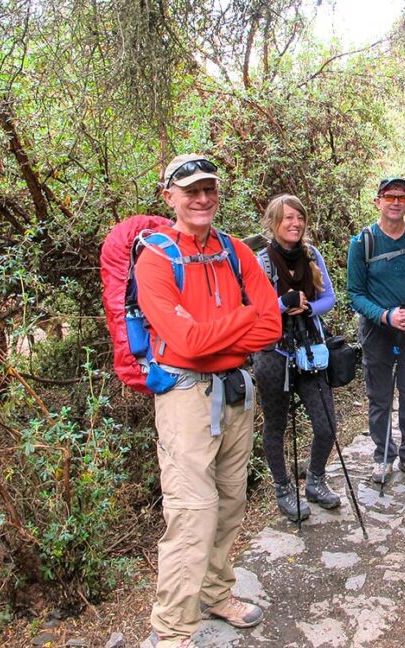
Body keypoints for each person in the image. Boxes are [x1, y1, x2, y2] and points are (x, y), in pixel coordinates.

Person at [136, 154, 281, 648]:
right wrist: (243, 319)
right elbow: (187, 342)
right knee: (193, 510)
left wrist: (215, 336)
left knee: (231, 501)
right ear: (169, 198)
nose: (201, 200)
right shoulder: (155, 259)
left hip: (237, 390)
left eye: (209, 190)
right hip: (184, 396)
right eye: (190, 191)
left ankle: (216, 592)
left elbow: (273, 324)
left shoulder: (236, 251)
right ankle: (171, 630)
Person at [347, 177, 405, 484]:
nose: (396, 202)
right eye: (389, 196)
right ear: (377, 201)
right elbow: (355, 293)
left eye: (401, 197)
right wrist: (386, 316)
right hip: (377, 332)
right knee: (380, 396)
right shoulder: (362, 243)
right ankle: (383, 456)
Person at [252, 194, 342, 522]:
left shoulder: (312, 255)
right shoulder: (260, 262)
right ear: (274, 222)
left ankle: (315, 480)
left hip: (310, 350)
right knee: (276, 425)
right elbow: (253, 311)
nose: (295, 223)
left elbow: (329, 298)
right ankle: (283, 489)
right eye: (288, 218)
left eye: (300, 217)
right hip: (273, 354)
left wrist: (306, 307)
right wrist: (281, 305)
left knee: (327, 424)